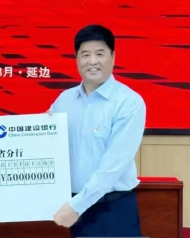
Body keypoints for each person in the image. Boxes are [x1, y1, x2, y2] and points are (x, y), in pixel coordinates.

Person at [49, 24, 146, 237]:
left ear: (113, 56)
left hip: (113, 210)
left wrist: (76, 206)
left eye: (100, 54)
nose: (92, 61)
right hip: (71, 207)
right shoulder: (64, 100)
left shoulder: (129, 102)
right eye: (85, 54)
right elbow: (47, 145)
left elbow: (113, 167)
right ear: (76, 59)